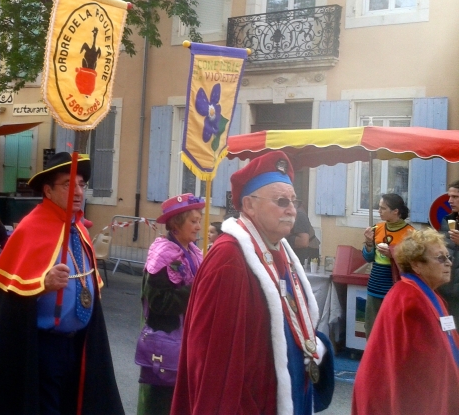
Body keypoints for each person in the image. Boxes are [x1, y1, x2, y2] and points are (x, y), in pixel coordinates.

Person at [171, 151, 333, 415]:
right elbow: (213, 361)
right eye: (281, 201)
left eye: (294, 200)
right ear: (249, 205)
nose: (292, 209)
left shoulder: (280, 250)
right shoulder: (229, 258)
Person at [0, 152, 124, 415]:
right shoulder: (31, 227)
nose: (79, 191)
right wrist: (42, 284)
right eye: (69, 185)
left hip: (79, 342)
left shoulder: (78, 228)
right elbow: (10, 294)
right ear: (48, 190)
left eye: (82, 184)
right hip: (44, 346)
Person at [352, 229, 459, 415]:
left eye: (448, 257)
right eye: (440, 258)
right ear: (416, 264)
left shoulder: (426, 293)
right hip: (397, 400)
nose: (449, 263)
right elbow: (415, 370)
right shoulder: (410, 299)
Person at [137, 193, 203, 415]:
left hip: (188, 343)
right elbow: (158, 303)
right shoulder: (163, 254)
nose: (198, 227)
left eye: (199, 220)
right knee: (163, 405)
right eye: (193, 222)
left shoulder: (193, 251)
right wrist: (195, 290)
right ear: (176, 224)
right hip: (167, 346)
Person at [361, 193, 415, 339]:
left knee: (393, 333)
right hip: (374, 286)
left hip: (396, 287)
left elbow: (413, 264)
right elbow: (368, 258)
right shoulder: (377, 228)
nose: (379, 211)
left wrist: (393, 254)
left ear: (395, 211)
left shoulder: (410, 233)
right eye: (379, 207)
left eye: (383, 208)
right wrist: (369, 243)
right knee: (372, 332)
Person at [438, 179, 459, 320]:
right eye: (449, 197)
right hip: (446, 290)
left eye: (455, 197)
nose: (450, 201)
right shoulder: (447, 221)